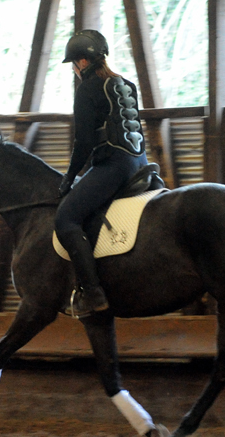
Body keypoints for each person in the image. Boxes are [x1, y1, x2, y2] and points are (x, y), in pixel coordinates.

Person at [55, 29, 149, 318]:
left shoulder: (87, 89)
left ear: (82, 62)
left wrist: (69, 179)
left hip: (114, 167)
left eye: (74, 63)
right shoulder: (127, 84)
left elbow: (83, 143)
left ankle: (93, 293)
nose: (73, 69)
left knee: (66, 219)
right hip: (141, 164)